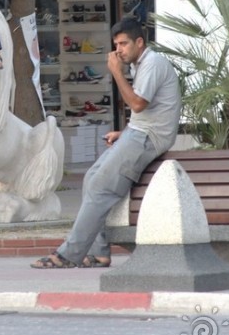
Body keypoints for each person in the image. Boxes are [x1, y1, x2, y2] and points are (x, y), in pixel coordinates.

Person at [31, 18, 182, 269]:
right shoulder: (140, 64)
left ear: (139, 42)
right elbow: (148, 111)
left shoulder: (152, 64)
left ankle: (69, 254)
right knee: (91, 179)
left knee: (101, 186)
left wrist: (115, 73)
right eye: (116, 44)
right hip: (138, 132)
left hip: (148, 138)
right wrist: (124, 133)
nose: (118, 50)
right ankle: (100, 253)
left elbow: (137, 104)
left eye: (123, 44)